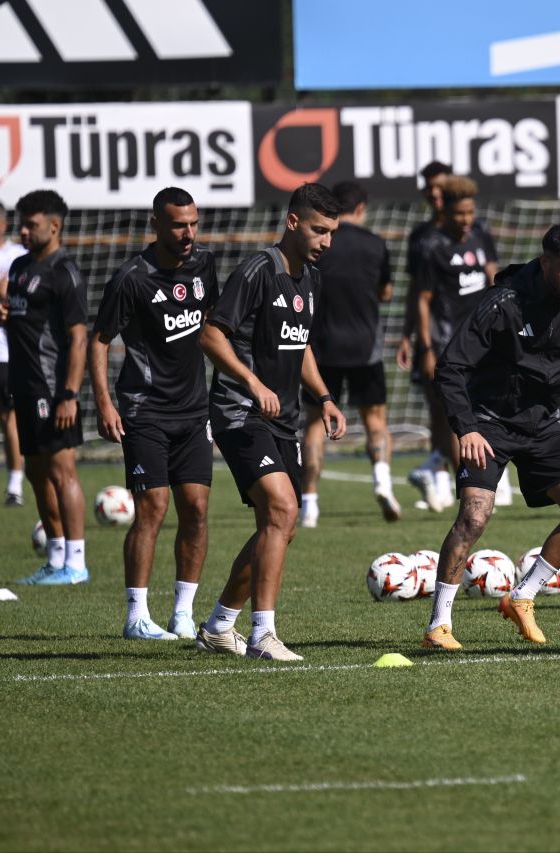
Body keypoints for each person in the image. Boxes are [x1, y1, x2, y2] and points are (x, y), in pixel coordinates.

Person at [421, 223, 560, 651]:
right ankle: (438, 625)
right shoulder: (502, 303)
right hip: (488, 423)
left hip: (542, 425)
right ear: (544, 263)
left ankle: (521, 597)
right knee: (474, 517)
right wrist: (466, 427)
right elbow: (450, 367)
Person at [196, 183, 347, 661]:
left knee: (280, 524)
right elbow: (211, 335)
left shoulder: (312, 279)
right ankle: (263, 635)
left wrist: (324, 397)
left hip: (284, 418)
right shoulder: (259, 270)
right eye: (320, 230)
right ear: (293, 222)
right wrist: (251, 382)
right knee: (281, 509)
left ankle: (220, 625)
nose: (327, 241)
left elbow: (298, 343)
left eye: (332, 233)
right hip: (240, 411)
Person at [89, 187, 219, 640]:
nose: (188, 234)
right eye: (179, 225)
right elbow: (100, 340)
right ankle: (136, 616)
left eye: (194, 223)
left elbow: (211, 329)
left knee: (197, 509)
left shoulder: (204, 264)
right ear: (157, 225)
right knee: (153, 508)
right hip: (144, 410)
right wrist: (104, 402)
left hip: (194, 411)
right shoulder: (132, 278)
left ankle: (182, 613)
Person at [0, 190, 90, 585]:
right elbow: (20, 316)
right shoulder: (18, 267)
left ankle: (77, 562)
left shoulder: (64, 271)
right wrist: (4, 315)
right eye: (22, 223)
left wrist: (68, 393)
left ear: (55, 225)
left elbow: (79, 338)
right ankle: (55, 557)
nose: (24, 231)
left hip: (53, 389)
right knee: (36, 472)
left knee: (62, 470)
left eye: (31, 224)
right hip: (24, 384)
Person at [401, 175, 506, 512]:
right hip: (447, 343)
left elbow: (493, 277)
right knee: (450, 415)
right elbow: (422, 300)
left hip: (483, 340)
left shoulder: (480, 234)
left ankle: (487, 473)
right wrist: (427, 347)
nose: (466, 220)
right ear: (445, 211)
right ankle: (464, 476)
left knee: (489, 408)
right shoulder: (432, 246)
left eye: (470, 212)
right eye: (460, 214)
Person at [300, 180, 399, 528]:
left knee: (314, 424)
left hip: (322, 348)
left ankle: (309, 503)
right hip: (365, 347)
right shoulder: (375, 244)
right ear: (361, 208)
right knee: (376, 422)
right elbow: (386, 292)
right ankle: (383, 483)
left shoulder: (321, 244)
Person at [0, 200, 27, 506]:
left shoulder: (17, 255)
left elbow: (7, 289)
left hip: (2, 351)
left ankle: (15, 485)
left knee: (7, 417)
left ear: (3, 224)